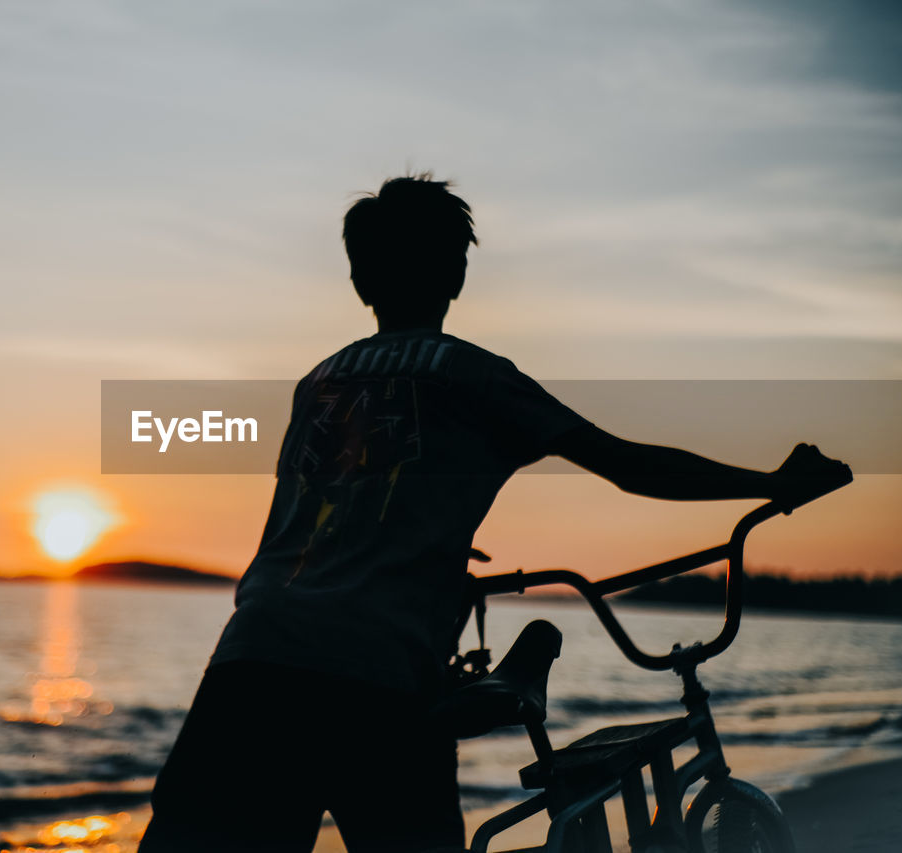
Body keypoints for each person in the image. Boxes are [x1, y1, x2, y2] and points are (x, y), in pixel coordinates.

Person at [138, 174, 849, 853]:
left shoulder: (318, 382)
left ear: (360, 280)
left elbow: (330, 511)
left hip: (251, 663)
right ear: (456, 274)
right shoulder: (476, 377)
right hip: (376, 677)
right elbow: (628, 464)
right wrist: (771, 481)